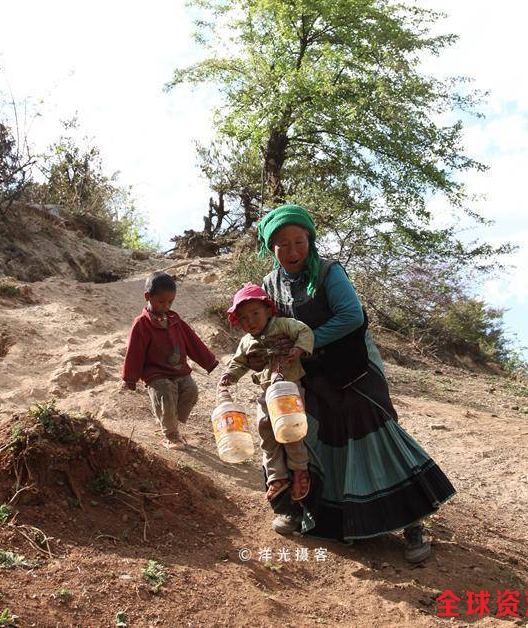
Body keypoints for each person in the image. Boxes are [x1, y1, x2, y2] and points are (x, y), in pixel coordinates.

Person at [256, 204, 456, 564]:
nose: (292, 251)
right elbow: (267, 328)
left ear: (310, 240)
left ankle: (412, 524)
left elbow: (352, 316)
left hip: (355, 369)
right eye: (282, 244)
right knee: (306, 434)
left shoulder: (330, 273)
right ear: (270, 248)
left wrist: (306, 342)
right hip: (311, 372)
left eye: (298, 241)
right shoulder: (270, 286)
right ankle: (300, 510)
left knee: (376, 438)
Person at [218, 283, 314, 503]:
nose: (250, 321)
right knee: (265, 430)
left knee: (291, 429)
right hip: (266, 392)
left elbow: (304, 331)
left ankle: (300, 470)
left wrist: (298, 349)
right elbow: (238, 363)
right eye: (243, 318)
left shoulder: (282, 325)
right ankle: (276, 477)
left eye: (255, 313)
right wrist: (230, 376)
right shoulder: (246, 342)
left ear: (269, 310)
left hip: (289, 389)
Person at [122, 271, 218, 449]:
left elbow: (192, 341)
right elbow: (134, 352)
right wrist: (130, 378)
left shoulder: (175, 320)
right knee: (165, 395)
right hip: (156, 374)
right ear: (147, 297)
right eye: (161, 302)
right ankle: (171, 435)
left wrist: (208, 361)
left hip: (179, 370)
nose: (166, 306)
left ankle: (172, 420)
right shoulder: (142, 324)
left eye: (170, 302)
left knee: (191, 391)